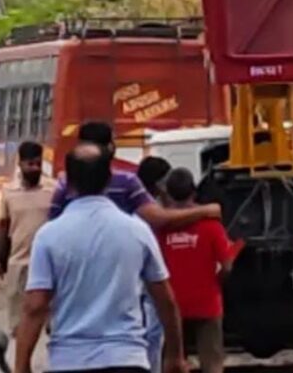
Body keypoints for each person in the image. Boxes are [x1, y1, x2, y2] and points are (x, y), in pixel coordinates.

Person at [15, 144, 187, 373]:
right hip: (127, 360)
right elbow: (165, 299)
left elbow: (35, 306)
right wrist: (175, 356)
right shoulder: (137, 231)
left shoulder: (49, 236)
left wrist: (21, 366)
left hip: (69, 361)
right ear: (109, 179)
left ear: (68, 182)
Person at [49, 122, 220, 230]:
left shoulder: (64, 185)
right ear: (110, 147)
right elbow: (158, 219)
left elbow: (52, 223)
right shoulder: (126, 182)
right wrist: (204, 211)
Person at [159, 168, 235, 373]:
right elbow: (227, 266)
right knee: (212, 362)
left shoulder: (160, 227)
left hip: (171, 304)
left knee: (172, 361)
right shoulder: (211, 225)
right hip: (207, 302)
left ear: (167, 194)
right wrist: (215, 283)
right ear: (193, 192)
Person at [0, 140, 55, 337]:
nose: (35, 168)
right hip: (19, 260)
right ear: (20, 164)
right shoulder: (9, 191)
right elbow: (3, 227)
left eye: (38, 163)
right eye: (30, 164)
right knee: (18, 325)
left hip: (50, 261)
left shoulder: (53, 189)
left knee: (54, 323)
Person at [137, 156, 173, 373]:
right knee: (152, 333)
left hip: (142, 279)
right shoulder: (150, 209)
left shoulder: (139, 203)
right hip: (146, 280)